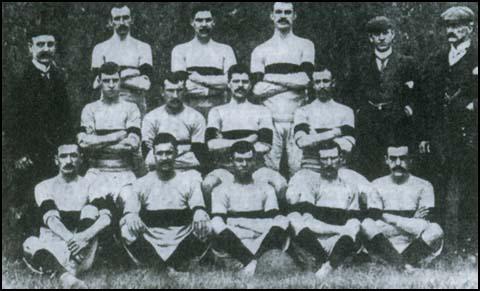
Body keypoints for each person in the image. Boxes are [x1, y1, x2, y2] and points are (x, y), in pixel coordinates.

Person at [418, 6, 477, 255]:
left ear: (470, 28)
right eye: (448, 27)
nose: (451, 31)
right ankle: (438, 246)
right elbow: (425, 100)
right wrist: (423, 136)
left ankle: (470, 246)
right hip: (440, 137)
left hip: (470, 135)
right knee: (439, 191)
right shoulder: (436, 59)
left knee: (471, 191)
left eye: (457, 26)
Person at [4, 23, 72, 238]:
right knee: (29, 197)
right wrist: (18, 154)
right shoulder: (19, 81)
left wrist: (64, 150)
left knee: (56, 197)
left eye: (50, 44)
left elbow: (66, 119)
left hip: (54, 153)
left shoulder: (59, 79)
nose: (46, 49)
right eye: (40, 44)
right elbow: (9, 121)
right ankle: (27, 243)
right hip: (29, 155)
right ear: (30, 48)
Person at [23, 141, 112, 289]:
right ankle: (66, 277)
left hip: (83, 247)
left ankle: (66, 270)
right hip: (54, 243)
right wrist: (72, 240)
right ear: (56, 160)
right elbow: (51, 219)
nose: (69, 161)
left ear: (81, 159)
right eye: (63, 156)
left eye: (73, 156)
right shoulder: (44, 186)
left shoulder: (90, 184)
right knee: (30, 243)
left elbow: (106, 218)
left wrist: (82, 238)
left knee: (90, 209)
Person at [119, 133, 211, 272]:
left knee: (206, 226)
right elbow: (130, 211)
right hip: (152, 240)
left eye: (169, 153)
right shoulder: (141, 183)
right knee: (126, 228)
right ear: (153, 156)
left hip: (181, 239)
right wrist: (131, 215)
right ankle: (162, 266)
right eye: (160, 153)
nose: (164, 158)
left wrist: (199, 212)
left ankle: (169, 265)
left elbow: (198, 207)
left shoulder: (189, 181)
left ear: (176, 154)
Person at [202, 65, 287, 209]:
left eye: (244, 81)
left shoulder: (262, 111)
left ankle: (272, 217)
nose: (240, 85)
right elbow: (211, 145)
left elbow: (265, 145)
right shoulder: (217, 111)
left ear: (250, 84)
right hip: (226, 167)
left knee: (281, 184)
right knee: (207, 184)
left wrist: (225, 142)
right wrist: (248, 140)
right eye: (236, 81)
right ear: (228, 84)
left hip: (256, 167)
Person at [348, 16, 417, 181]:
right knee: (368, 163)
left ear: (392, 34)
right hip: (369, 120)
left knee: (394, 162)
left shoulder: (407, 62)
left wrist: (408, 110)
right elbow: (351, 90)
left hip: (396, 121)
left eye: (385, 33)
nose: (381, 38)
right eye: (376, 34)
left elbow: (417, 93)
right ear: (371, 38)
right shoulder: (360, 62)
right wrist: (359, 110)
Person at [251, 2, 315, 175]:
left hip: (297, 119)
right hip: (270, 120)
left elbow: (305, 80)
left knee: (298, 170)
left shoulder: (305, 45)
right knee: (269, 172)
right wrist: (290, 83)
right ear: (271, 16)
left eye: (288, 12)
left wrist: (269, 77)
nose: (283, 16)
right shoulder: (260, 50)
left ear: (295, 16)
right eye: (278, 12)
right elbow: (257, 90)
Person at [210, 141, 290, 277]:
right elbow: (218, 221)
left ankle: (253, 262)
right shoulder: (221, 189)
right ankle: (252, 262)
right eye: (239, 160)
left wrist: (244, 224)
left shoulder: (266, 188)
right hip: (236, 239)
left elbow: (273, 217)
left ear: (254, 161)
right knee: (215, 223)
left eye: (248, 160)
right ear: (231, 161)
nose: (244, 165)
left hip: (261, 238)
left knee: (283, 220)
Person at [286, 141, 362, 280]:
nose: (329, 163)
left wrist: (342, 232)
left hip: (338, 240)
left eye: (333, 158)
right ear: (318, 161)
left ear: (341, 159)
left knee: (355, 224)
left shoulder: (349, 187)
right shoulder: (311, 185)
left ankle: (327, 267)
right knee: (294, 217)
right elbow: (308, 222)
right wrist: (339, 229)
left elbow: (353, 223)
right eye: (324, 159)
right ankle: (325, 261)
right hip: (315, 238)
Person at [361, 143, 444, 269]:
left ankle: (396, 263)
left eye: (403, 158)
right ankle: (405, 265)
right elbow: (374, 220)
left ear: (410, 160)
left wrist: (385, 216)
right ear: (386, 160)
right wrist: (411, 219)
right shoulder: (376, 185)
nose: (398, 163)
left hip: (413, 242)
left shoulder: (424, 186)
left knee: (435, 230)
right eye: (393, 159)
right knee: (367, 224)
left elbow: (423, 225)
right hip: (385, 242)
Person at [77, 62, 141, 220]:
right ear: (99, 81)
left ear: (120, 81)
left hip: (124, 171)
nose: (111, 85)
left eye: (115, 80)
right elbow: (84, 144)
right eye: (106, 81)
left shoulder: (131, 108)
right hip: (96, 171)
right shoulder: (90, 109)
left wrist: (97, 142)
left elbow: (132, 143)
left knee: (132, 205)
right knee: (86, 208)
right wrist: (117, 135)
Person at [171, 4, 237, 118]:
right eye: (199, 20)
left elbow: (231, 82)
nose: (204, 24)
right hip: (188, 110)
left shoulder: (225, 50)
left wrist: (200, 79)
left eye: (208, 20)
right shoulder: (180, 50)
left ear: (214, 22)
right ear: (192, 22)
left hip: (219, 109)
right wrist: (215, 87)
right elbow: (183, 85)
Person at [91, 5, 153, 116]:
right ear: (110, 22)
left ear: (132, 19)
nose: (122, 22)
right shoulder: (100, 49)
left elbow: (145, 84)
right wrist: (132, 74)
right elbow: (97, 84)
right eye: (117, 18)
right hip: (108, 107)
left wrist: (113, 78)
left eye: (125, 18)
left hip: (136, 105)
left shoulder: (143, 47)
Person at [142, 73, 208, 173]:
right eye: (170, 91)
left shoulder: (196, 117)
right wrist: (186, 152)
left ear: (185, 91)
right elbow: (148, 158)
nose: (175, 95)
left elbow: (198, 158)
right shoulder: (151, 117)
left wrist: (164, 160)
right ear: (162, 92)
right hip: (158, 172)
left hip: (187, 172)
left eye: (179, 90)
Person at [294, 65, 356, 172]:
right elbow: (302, 142)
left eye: (326, 81)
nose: (321, 85)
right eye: (317, 82)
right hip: (310, 168)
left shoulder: (346, 111)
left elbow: (347, 146)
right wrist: (337, 132)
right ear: (313, 85)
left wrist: (315, 136)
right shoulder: (302, 111)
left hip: (339, 169)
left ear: (333, 83)